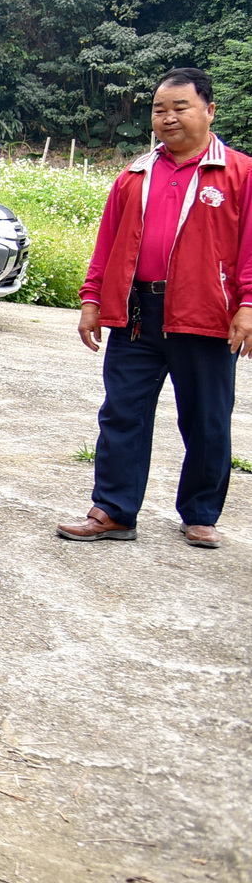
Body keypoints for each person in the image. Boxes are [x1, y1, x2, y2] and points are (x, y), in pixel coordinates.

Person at [57, 68, 252, 549]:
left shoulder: (241, 174)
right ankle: (115, 510)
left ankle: (201, 514)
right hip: (139, 314)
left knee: (206, 419)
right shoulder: (135, 173)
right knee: (123, 413)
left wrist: (247, 305)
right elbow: (108, 242)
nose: (167, 118)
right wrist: (91, 299)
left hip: (206, 316)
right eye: (159, 109)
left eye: (179, 107)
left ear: (209, 110)